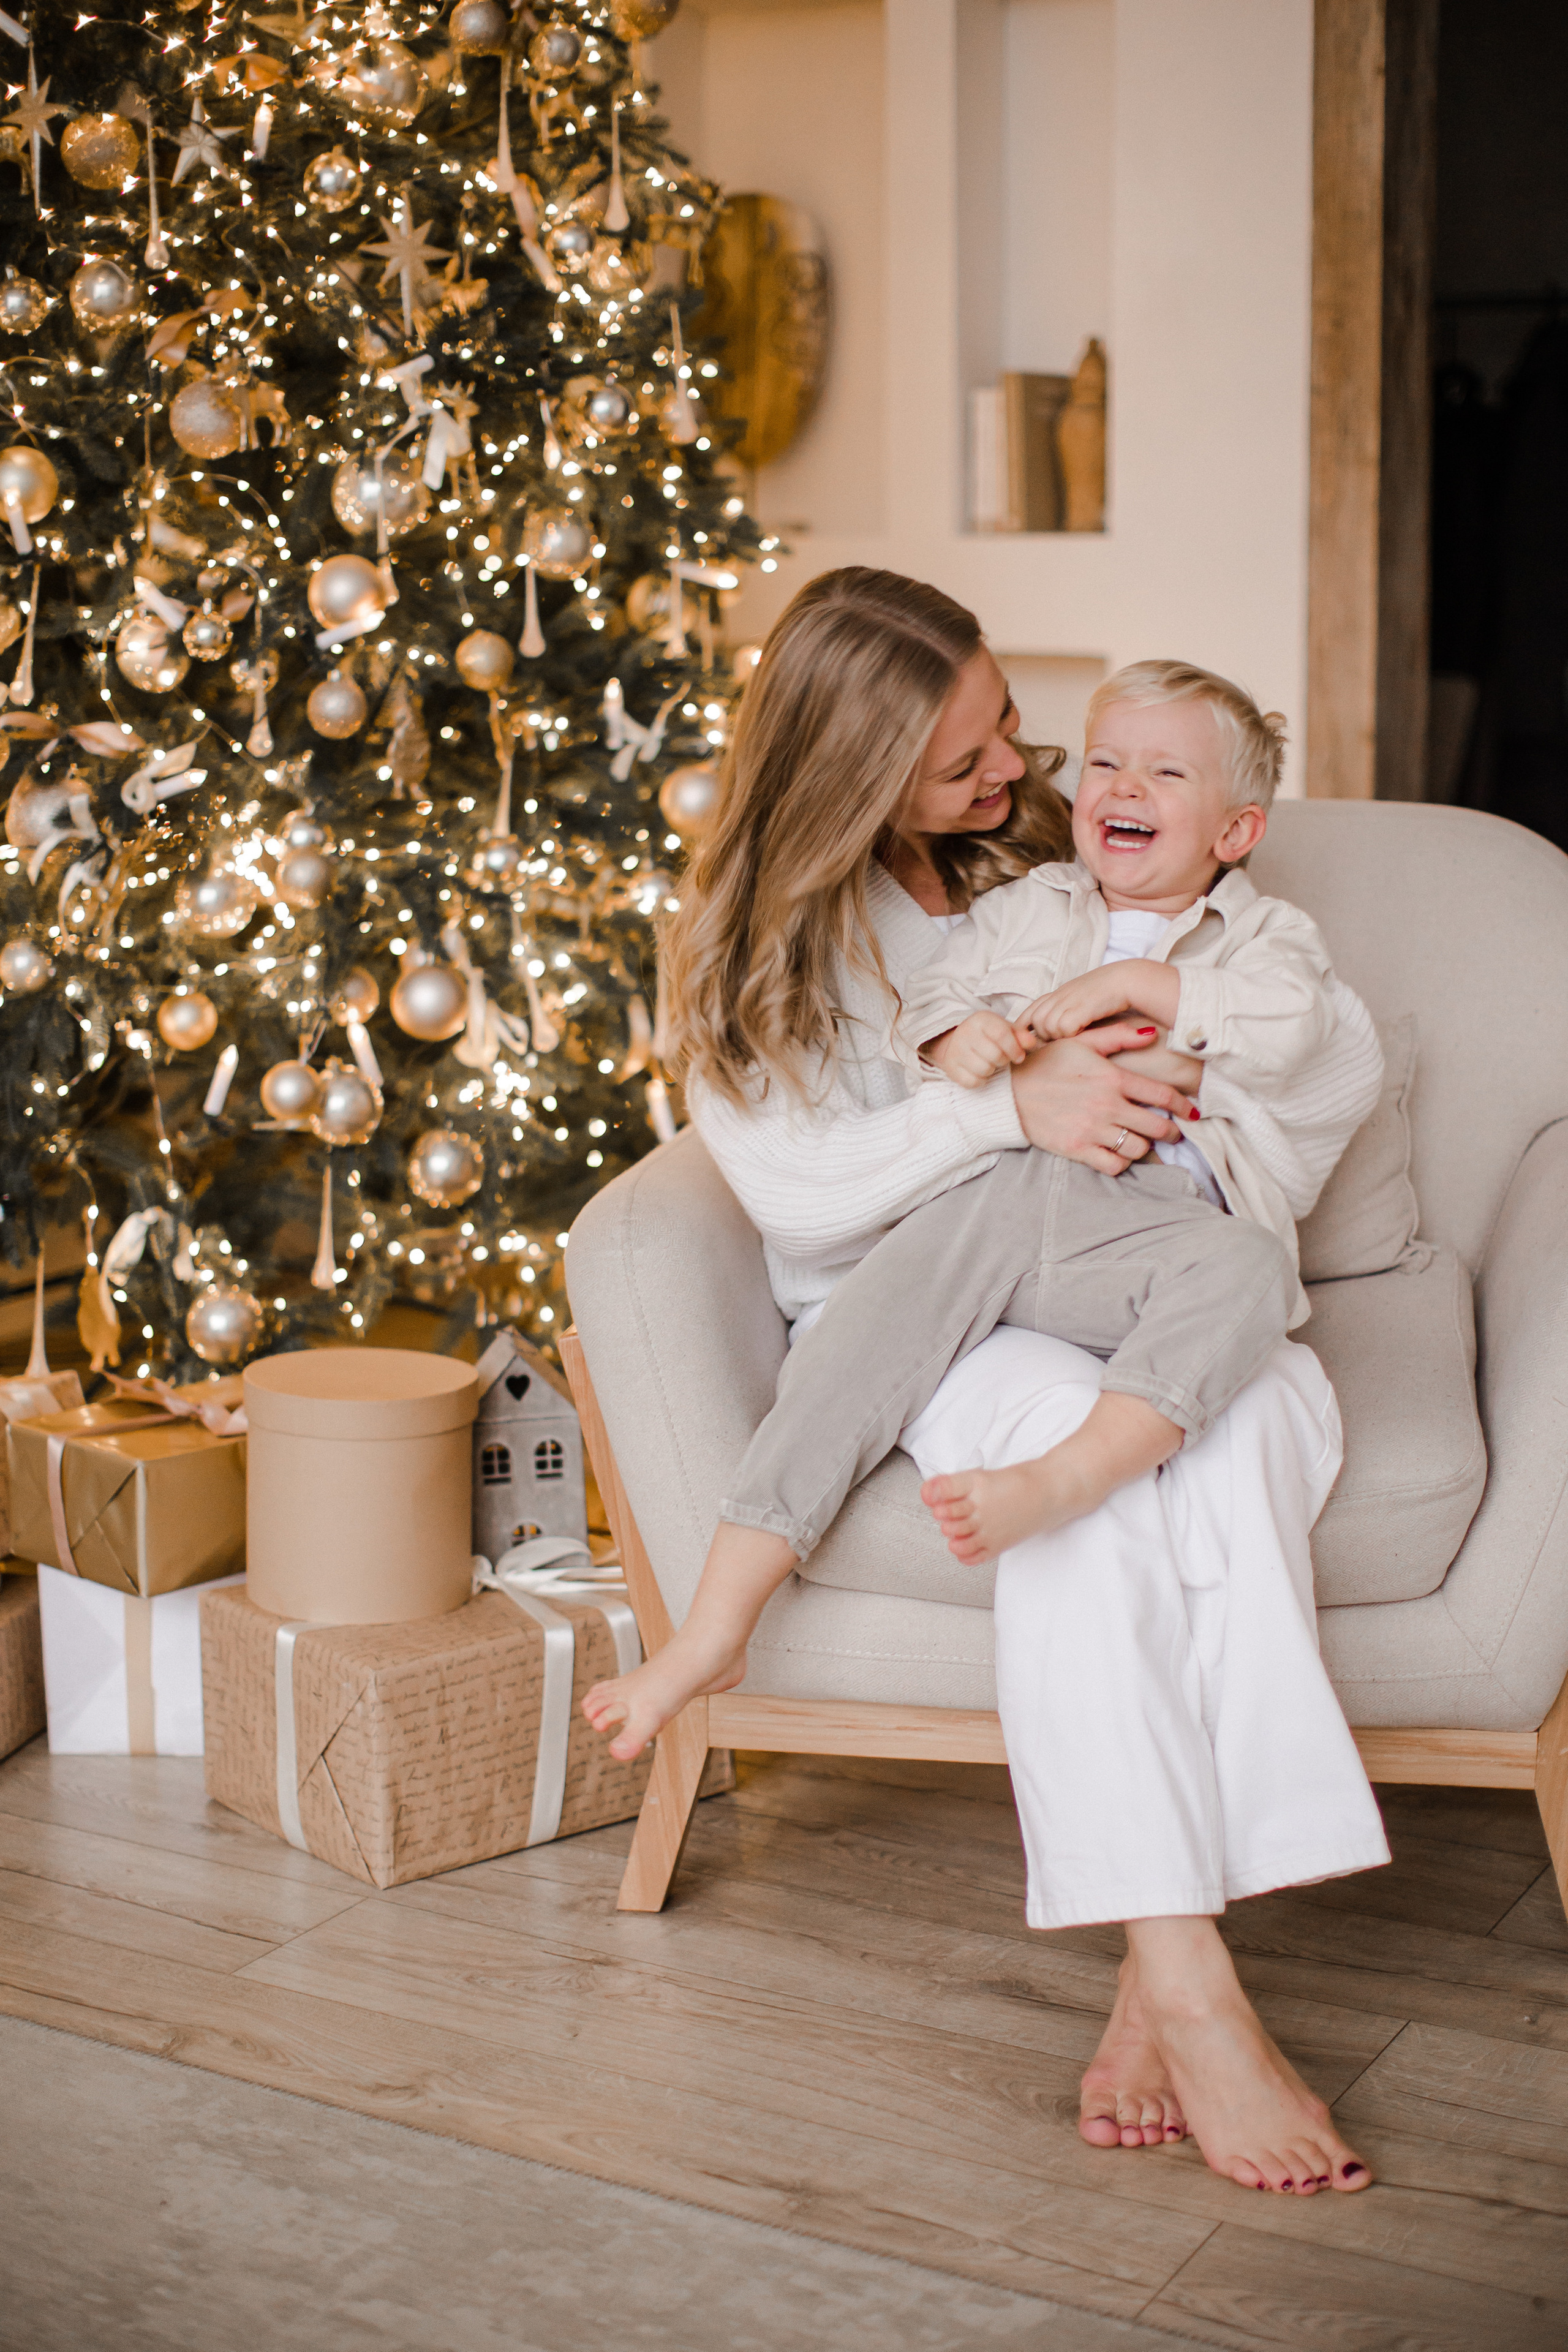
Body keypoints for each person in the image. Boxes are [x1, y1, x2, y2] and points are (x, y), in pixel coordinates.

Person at [583, 568, 1390, 2195]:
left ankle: (1149, 1987)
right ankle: (1192, 1982)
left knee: (1229, 1440)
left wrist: (1161, 1039)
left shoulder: (1044, 872)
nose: (1022, 774)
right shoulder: (766, 955)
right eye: (974, 758)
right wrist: (1010, 1105)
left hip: (1168, 1270)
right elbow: (805, 1197)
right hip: (967, 1307)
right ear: (858, 770)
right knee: (1089, 1501)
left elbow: (1323, 1043)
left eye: (1015, 730)